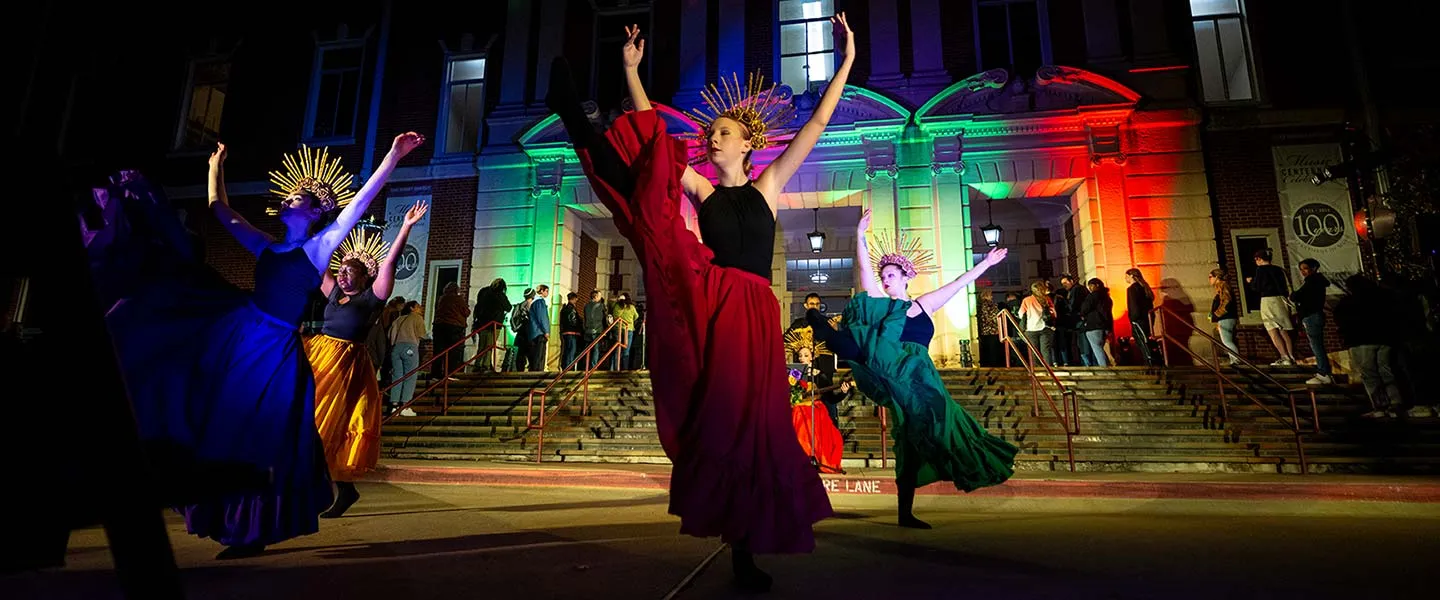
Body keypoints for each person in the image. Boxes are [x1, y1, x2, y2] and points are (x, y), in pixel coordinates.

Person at [544, 15, 859, 591]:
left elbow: (817, 121)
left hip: (754, 311)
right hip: (710, 293)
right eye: (710, 132)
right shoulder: (702, 187)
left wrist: (847, 60)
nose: (712, 137)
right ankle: (578, 122)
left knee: (748, 424)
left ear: (747, 143)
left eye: (721, 132)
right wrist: (632, 73)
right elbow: (653, 152)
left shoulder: (768, 184)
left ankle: (743, 548)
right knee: (651, 203)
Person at [91, 132, 426, 559]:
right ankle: (219, 509)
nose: (289, 197)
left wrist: (394, 156)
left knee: (260, 438)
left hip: (275, 353)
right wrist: (216, 167)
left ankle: (251, 529)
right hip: (241, 337)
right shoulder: (267, 247)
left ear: (318, 210)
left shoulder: (318, 248)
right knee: (216, 420)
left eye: (299, 195)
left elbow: (359, 201)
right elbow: (220, 210)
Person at [808, 209, 1016, 529]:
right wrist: (860, 237)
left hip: (922, 378)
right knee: (902, 428)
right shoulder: (883, 303)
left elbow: (959, 284)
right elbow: (865, 274)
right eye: (884, 275)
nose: (886, 279)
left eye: (892, 274)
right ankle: (838, 340)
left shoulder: (923, 304)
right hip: (892, 372)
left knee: (935, 425)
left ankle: (940, 479)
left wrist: (986, 264)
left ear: (906, 277)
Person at [306, 200, 427, 519]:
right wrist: (317, 221)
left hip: (347, 365)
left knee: (328, 425)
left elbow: (390, 263)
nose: (343, 275)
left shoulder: (373, 298)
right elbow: (317, 256)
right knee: (309, 423)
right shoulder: (332, 291)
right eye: (341, 269)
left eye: (350, 271)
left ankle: (333, 491)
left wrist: (405, 228)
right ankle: (342, 489)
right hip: (320, 355)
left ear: (364, 277)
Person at [1246, 249, 1296, 365]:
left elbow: (1258, 287)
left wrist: (1251, 282)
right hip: (1282, 300)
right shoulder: (1279, 270)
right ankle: (1291, 356)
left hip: (1268, 300)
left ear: (1258, 259)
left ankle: (1284, 356)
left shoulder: (1261, 270)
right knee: (1283, 329)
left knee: (1272, 329)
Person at [1209, 269, 1241, 365]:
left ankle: (1236, 360)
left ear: (1217, 277)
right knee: (1226, 340)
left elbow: (1226, 302)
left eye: (1210, 277)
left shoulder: (1223, 285)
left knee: (1227, 341)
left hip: (1226, 318)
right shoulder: (1221, 287)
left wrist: (1216, 314)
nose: (1209, 280)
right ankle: (1233, 359)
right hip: (1226, 318)